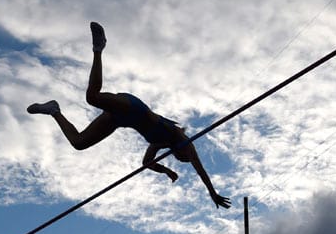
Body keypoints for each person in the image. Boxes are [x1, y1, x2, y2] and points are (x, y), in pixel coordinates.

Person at [28, 22, 231, 209]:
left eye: (182, 158)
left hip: (119, 120)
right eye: (185, 157)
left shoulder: (159, 144)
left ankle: (54, 111)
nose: (183, 157)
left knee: (79, 143)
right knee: (92, 97)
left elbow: (146, 163)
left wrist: (166, 171)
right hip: (134, 107)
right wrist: (212, 193)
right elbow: (200, 170)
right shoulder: (180, 137)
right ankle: (98, 48)